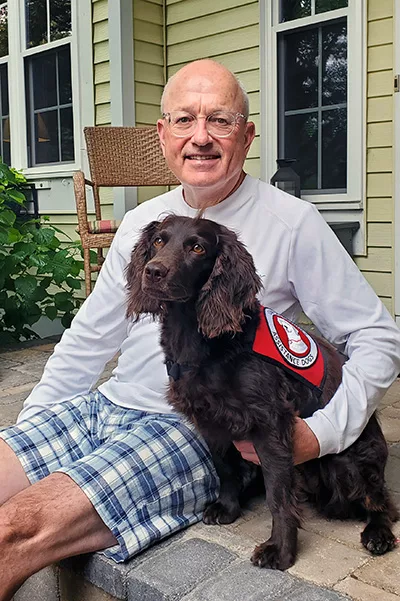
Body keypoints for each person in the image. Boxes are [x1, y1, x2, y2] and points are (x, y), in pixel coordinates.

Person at [0, 58, 399, 598]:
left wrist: (323, 433)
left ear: (247, 134)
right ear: (163, 134)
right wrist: (36, 433)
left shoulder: (293, 222)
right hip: (107, 404)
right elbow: (89, 337)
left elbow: (377, 338)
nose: (201, 137)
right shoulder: (147, 224)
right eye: (185, 120)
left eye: (221, 120)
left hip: (191, 429)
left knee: (13, 530)